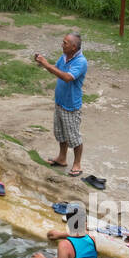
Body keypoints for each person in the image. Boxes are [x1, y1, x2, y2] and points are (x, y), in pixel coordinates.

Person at [34, 32, 88, 176]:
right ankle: (62, 158)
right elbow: (56, 70)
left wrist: (45, 64)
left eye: (65, 43)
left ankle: (77, 164)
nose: (62, 44)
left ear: (74, 47)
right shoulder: (65, 56)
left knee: (74, 137)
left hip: (71, 106)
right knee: (60, 133)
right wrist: (42, 62)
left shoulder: (81, 62)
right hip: (60, 102)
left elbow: (66, 77)